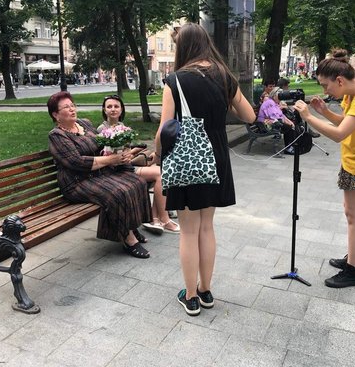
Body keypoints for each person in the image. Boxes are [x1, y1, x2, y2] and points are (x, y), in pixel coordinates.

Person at [154, 23, 256, 316]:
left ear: (182, 47)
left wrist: (158, 155)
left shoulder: (175, 80)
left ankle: (189, 296)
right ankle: (206, 290)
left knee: (189, 231)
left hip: (187, 159)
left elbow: (164, 130)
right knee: (208, 227)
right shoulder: (224, 76)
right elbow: (248, 115)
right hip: (217, 158)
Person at [293, 49, 355, 288]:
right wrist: (324, 112)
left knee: (354, 217)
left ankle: (353, 271)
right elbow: (348, 123)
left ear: (339, 80)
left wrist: (308, 116)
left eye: (326, 86)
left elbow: (339, 134)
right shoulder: (353, 91)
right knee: (352, 213)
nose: (325, 91)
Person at [47, 91, 152, 258]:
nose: (72, 109)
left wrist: (121, 152)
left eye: (73, 105)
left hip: (97, 175)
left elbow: (102, 145)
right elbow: (77, 162)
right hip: (76, 182)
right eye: (66, 107)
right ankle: (128, 239)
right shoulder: (57, 135)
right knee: (118, 192)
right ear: (56, 115)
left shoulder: (84, 124)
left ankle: (131, 225)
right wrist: (111, 160)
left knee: (136, 182)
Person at [97, 94, 180, 235]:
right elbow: (105, 154)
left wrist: (130, 153)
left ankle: (154, 218)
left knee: (162, 170)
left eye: (116, 106)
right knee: (160, 173)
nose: (113, 109)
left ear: (121, 109)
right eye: (109, 107)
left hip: (127, 166)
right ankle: (163, 219)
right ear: (104, 110)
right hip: (115, 172)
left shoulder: (123, 127)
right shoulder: (102, 129)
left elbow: (127, 151)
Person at [256, 87, 298, 155]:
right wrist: (288, 123)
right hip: (264, 125)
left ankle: (291, 146)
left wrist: (289, 121)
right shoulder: (270, 103)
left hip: (272, 122)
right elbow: (274, 116)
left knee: (291, 125)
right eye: (280, 95)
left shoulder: (275, 103)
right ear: (274, 95)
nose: (281, 97)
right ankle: (288, 148)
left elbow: (281, 115)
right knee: (288, 127)